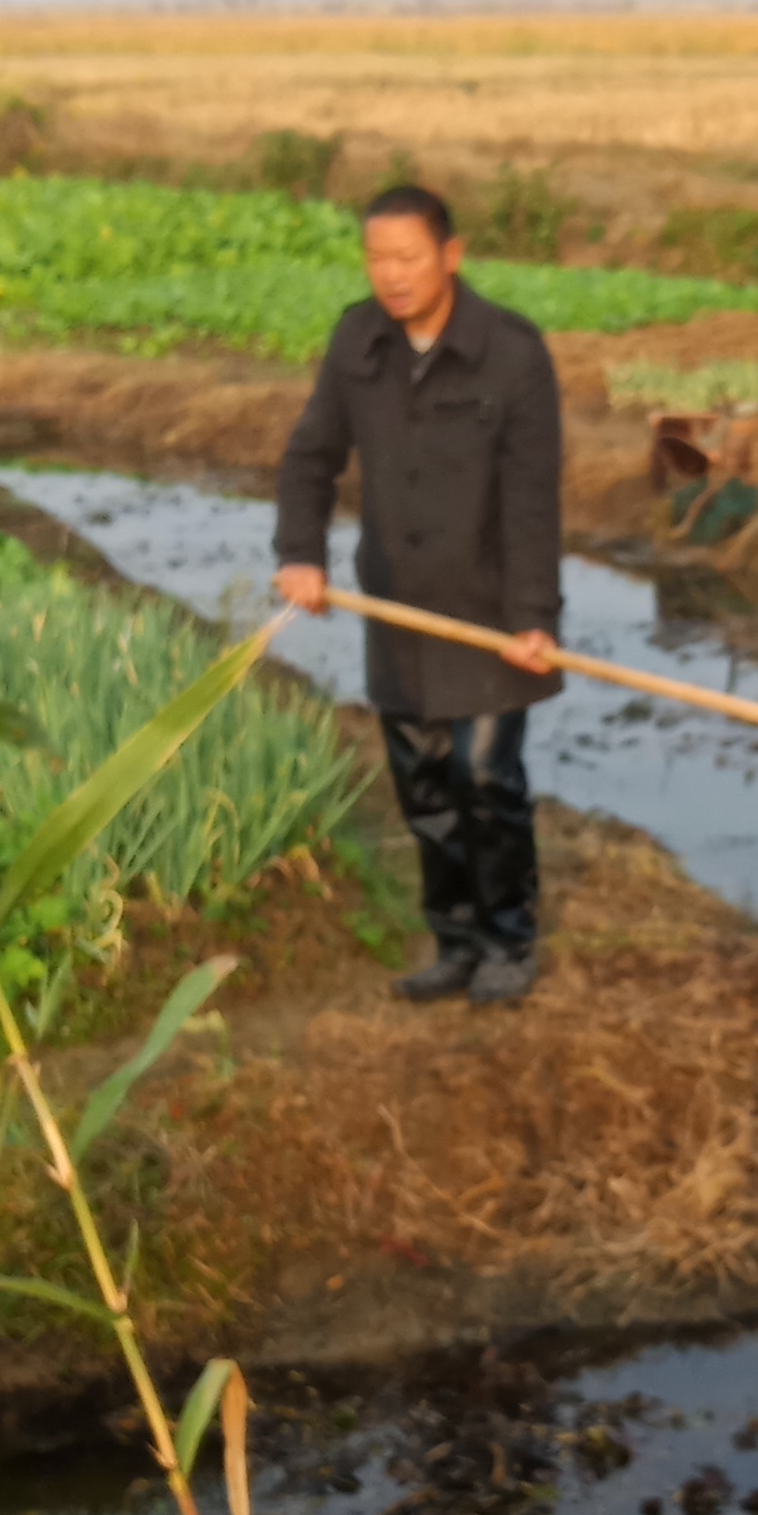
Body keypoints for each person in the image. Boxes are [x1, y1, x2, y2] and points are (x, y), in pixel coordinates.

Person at [273, 185, 567, 1005]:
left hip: (488, 613)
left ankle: (509, 940)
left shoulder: (511, 353)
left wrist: (534, 618)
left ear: (451, 255)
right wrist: (302, 553)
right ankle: (457, 943)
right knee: (425, 786)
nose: (391, 275)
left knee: (484, 777)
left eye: (407, 258)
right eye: (377, 258)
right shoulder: (357, 339)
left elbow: (533, 499)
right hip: (396, 607)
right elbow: (310, 457)